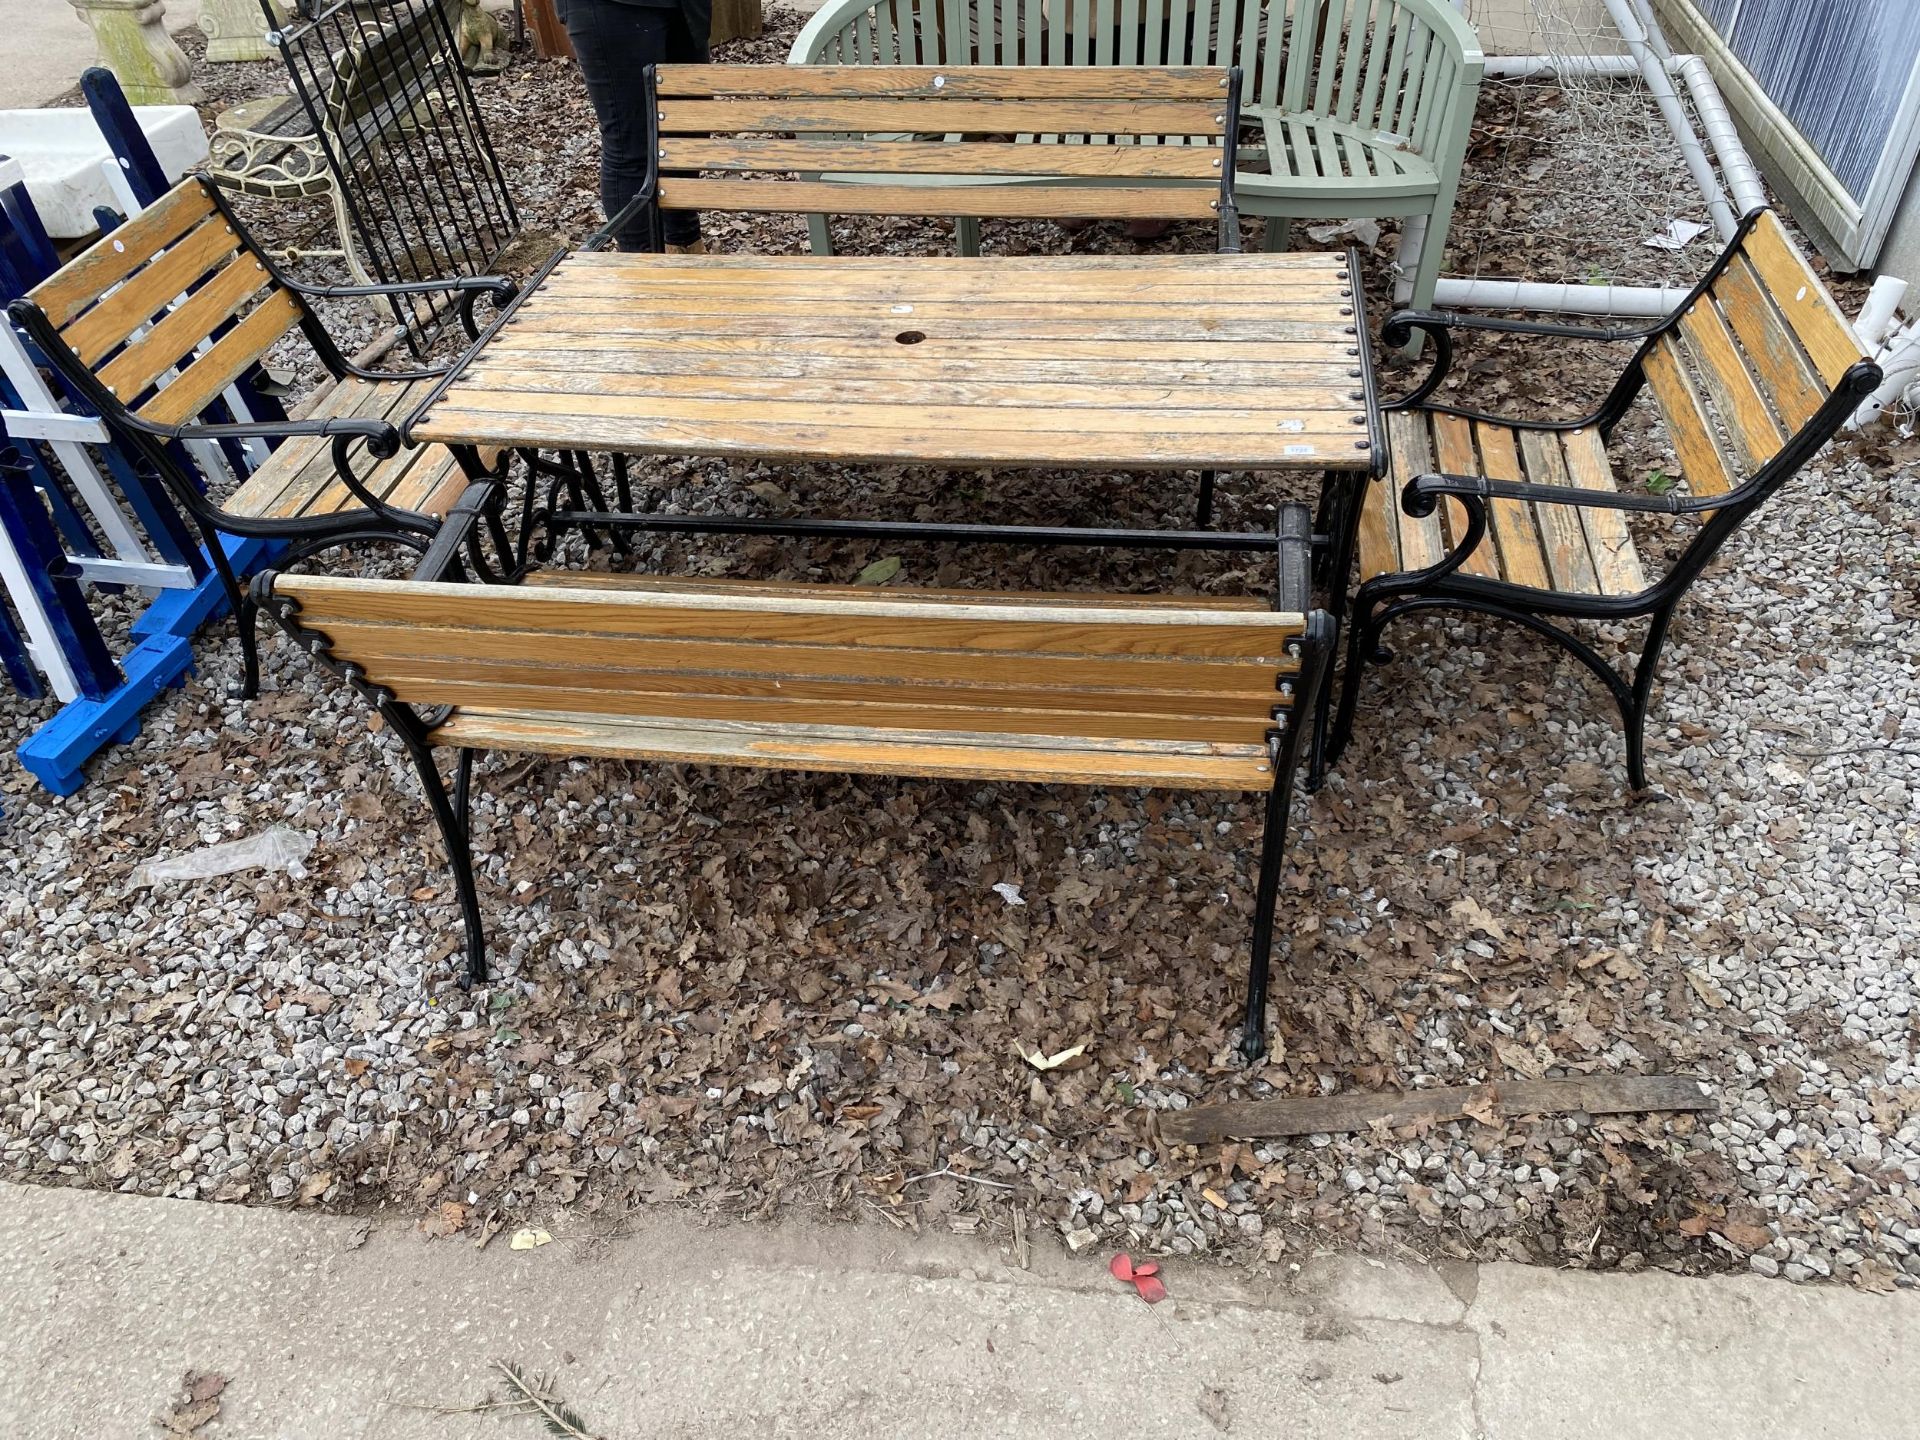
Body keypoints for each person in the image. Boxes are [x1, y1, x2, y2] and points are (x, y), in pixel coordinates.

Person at [557, 0, 712, 253]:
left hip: (683, 6)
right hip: (611, 7)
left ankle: (685, 251)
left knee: (687, 134)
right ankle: (642, 271)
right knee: (631, 146)